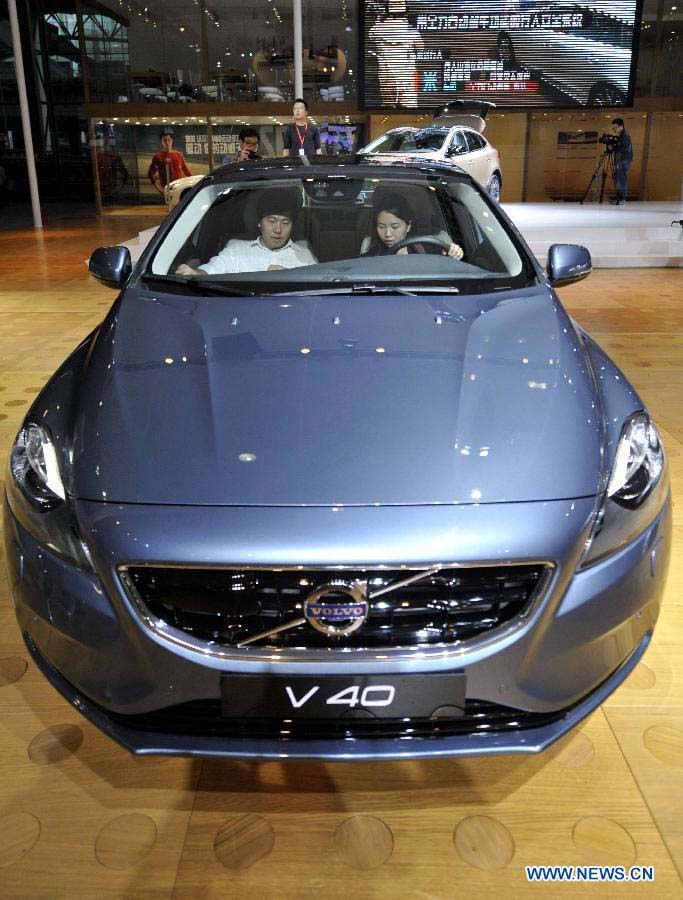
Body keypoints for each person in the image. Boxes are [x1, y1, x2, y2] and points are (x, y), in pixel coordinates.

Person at [175, 189, 317, 275]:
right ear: (259, 223)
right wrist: (193, 273)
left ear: (293, 225)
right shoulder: (236, 251)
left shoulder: (304, 255)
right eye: (271, 221)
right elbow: (208, 271)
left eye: (285, 222)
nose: (278, 229)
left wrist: (289, 277)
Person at [362, 193, 464, 259]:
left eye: (395, 227)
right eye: (381, 226)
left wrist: (455, 252)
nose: (387, 234)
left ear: (408, 226)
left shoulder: (431, 250)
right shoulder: (369, 258)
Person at [368, 1, 424, 108]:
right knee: (409, 110)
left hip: (387, 78)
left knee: (388, 108)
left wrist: (379, 20)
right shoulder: (412, 31)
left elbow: (371, 35)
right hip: (406, 79)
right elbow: (421, 48)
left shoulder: (377, 29)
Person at [148, 132, 192, 197]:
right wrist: (159, 189)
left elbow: (186, 170)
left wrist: (194, 182)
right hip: (168, 188)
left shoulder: (178, 155)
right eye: (164, 140)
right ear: (162, 142)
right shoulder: (158, 156)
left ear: (172, 141)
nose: (167, 142)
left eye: (169, 140)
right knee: (171, 206)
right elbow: (150, 173)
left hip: (179, 187)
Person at [610, 118, 633, 206]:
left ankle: (621, 198)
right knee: (618, 178)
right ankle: (619, 197)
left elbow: (624, 149)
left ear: (621, 126)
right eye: (613, 128)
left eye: (615, 127)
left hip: (623, 160)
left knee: (621, 178)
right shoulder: (621, 136)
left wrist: (615, 146)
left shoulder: (625, 136)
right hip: (621, 160)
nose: (614, 129)